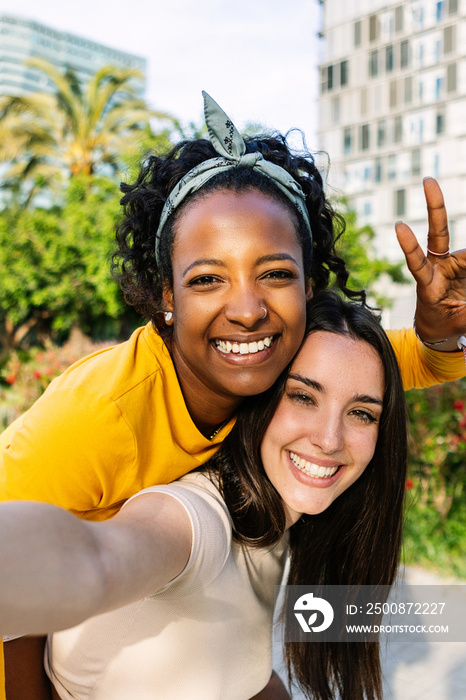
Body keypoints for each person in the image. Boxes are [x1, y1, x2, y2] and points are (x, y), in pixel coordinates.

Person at [0, 92, 465, 697]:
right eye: (207, 279)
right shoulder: (98, 416)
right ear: (165, 296)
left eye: (274, 274)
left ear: (307, 287)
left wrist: (439, 336)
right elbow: (46, 571)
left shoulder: (282, 357)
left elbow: (378, 371)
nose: (247, 310)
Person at [0, 292, 407, 700]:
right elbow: (100, 559)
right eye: (303, 396)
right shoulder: (198, 518)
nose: (329, 439)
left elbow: (240, 673)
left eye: (361, 413)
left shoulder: (277, 525)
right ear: (260, 396)